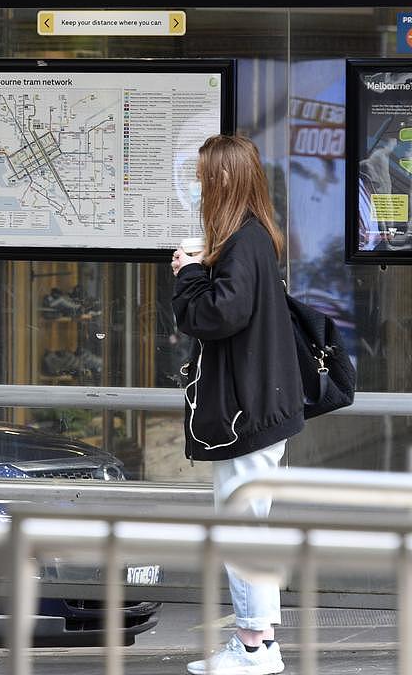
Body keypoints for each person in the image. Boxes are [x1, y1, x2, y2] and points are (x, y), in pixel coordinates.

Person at [171, 135, 304, 675]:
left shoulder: (242, 241)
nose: (200, 185)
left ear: (223, 179)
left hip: (247, 413)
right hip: (261, 409)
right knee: (249, 525)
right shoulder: (255, 238)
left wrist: (187, 275)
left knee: (240, 527)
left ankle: (251, 648)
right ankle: (262, 643)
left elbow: (219, 316)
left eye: (205, 175)